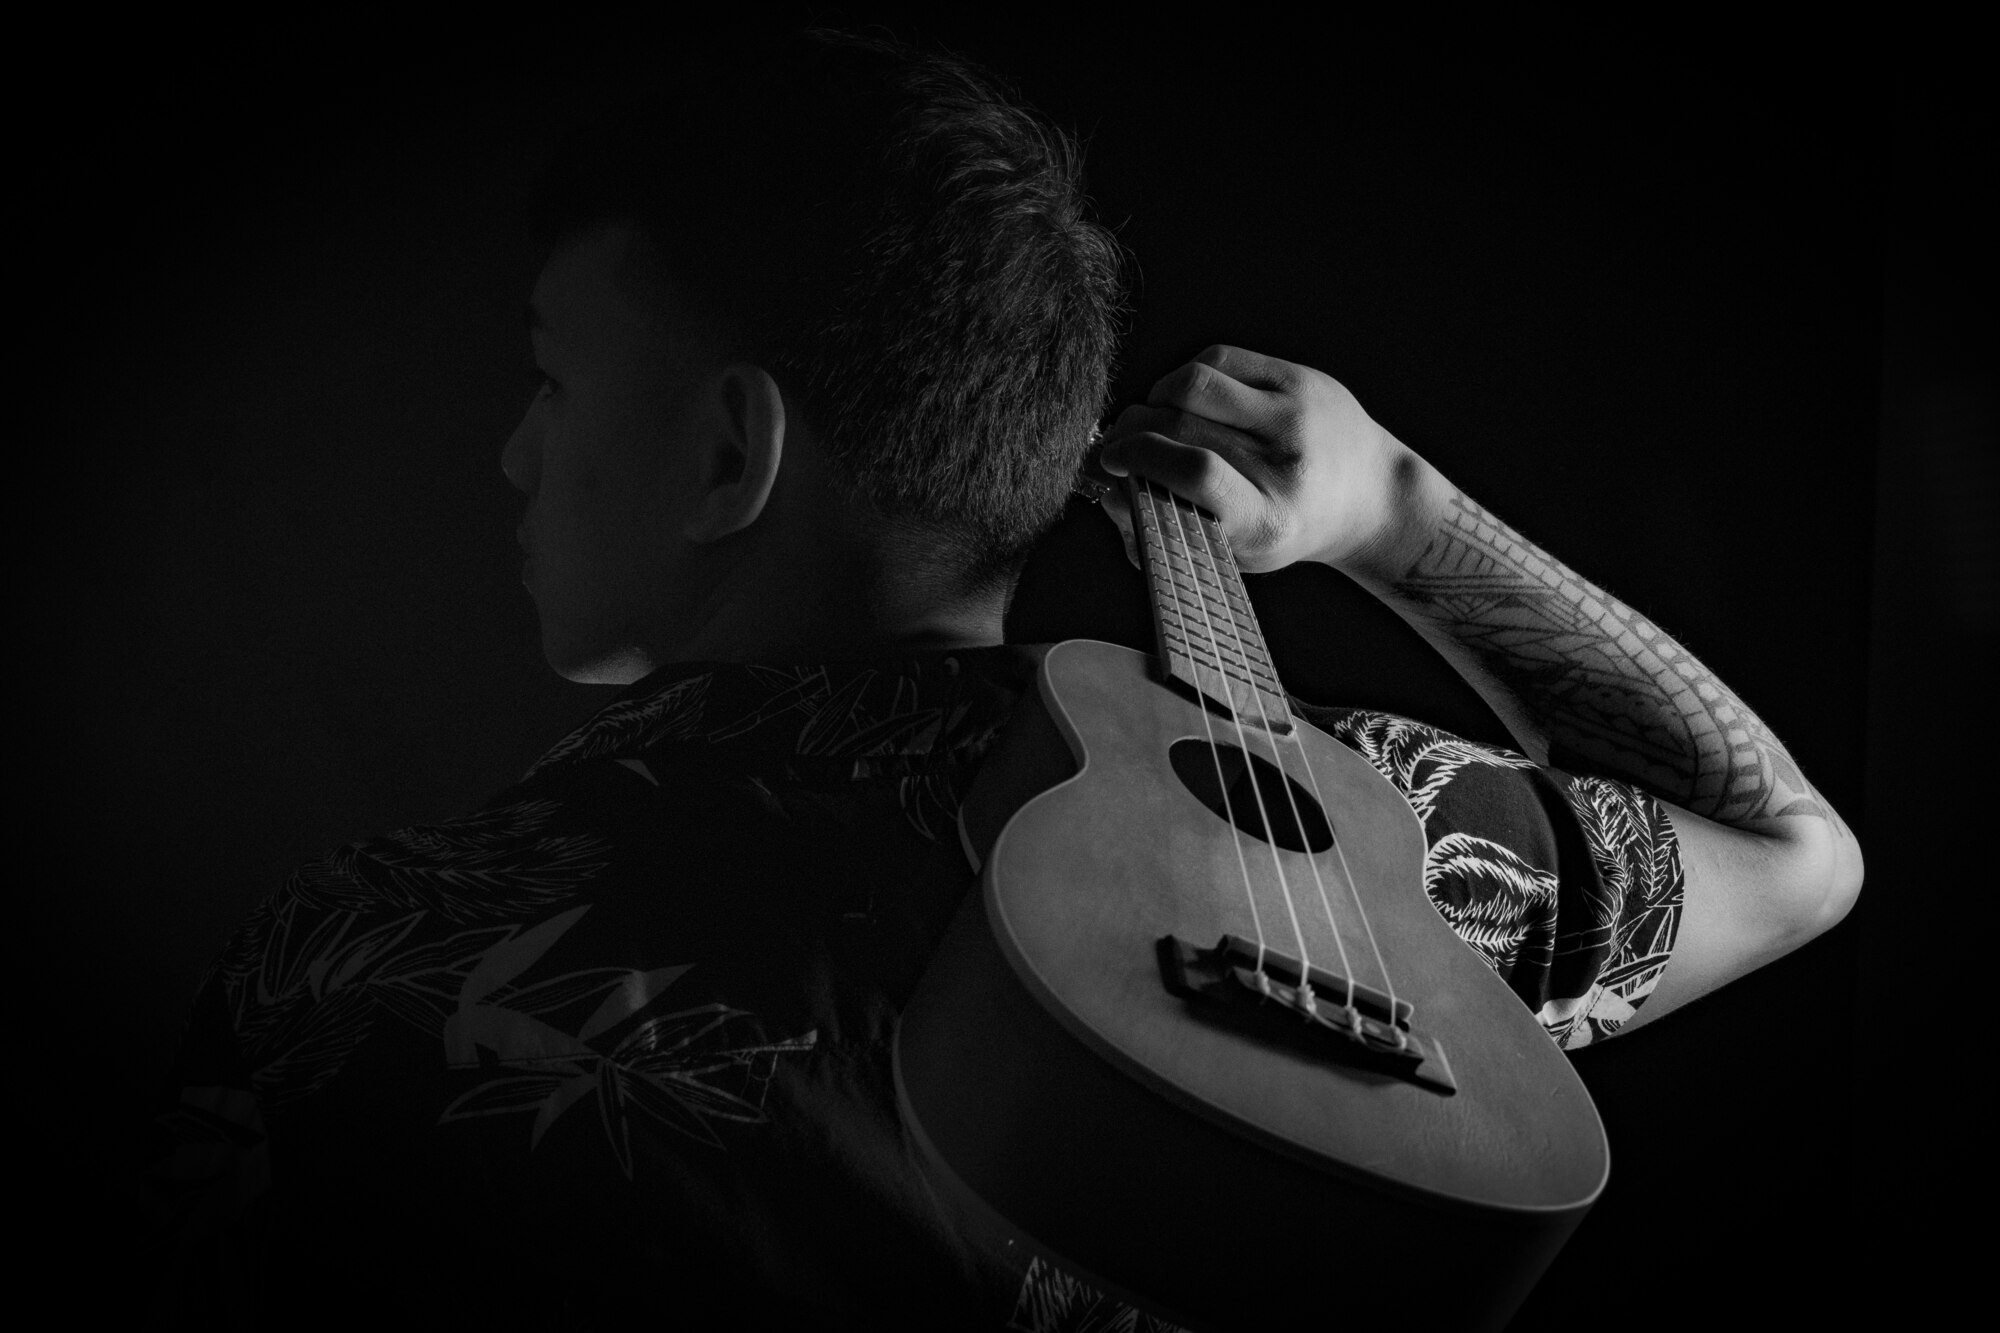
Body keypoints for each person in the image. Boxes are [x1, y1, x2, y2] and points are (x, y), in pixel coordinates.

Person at [144, 28, 1863, 1330]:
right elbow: (1789, 850)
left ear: (729, 448)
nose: (516, 458)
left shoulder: (369, 964)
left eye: (556, 383)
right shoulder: (1343, 879)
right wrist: (1398, 510)